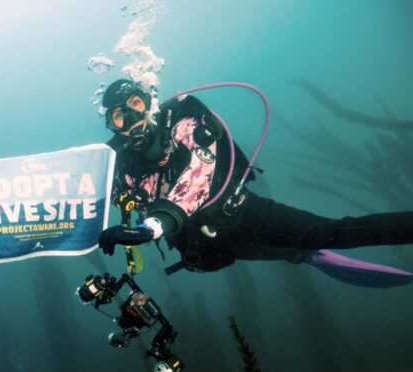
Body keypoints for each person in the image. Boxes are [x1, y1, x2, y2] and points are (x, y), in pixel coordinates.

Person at [96, 78, 413, 288]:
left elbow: (198, 176)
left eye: (135, 104)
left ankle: (317, 249)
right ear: (112, 125)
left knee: (331, 232)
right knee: (285, 253)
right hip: (205, 248)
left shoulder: (182, 122)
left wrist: (151, 227)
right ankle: (305, 255)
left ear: (149, 100)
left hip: (243, 215)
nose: (131, 119)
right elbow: (101, 197)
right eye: (119, 117)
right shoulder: (120, 162)